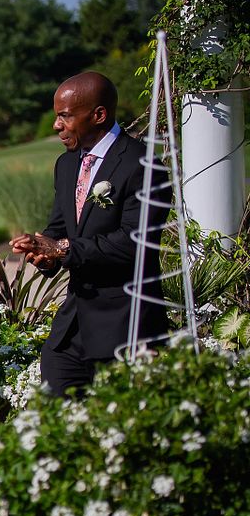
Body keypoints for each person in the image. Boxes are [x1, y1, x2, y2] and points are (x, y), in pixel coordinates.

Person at [11, 72, 168, 396]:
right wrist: (41, 250)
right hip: (72, 328)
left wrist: (64, 249)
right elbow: (58, 229)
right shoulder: (67, 165)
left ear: (98, 115)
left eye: (65, 116)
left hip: (125, 326)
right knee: (55, 419)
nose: (57, 126)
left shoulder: (142, 165)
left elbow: (134, 244)